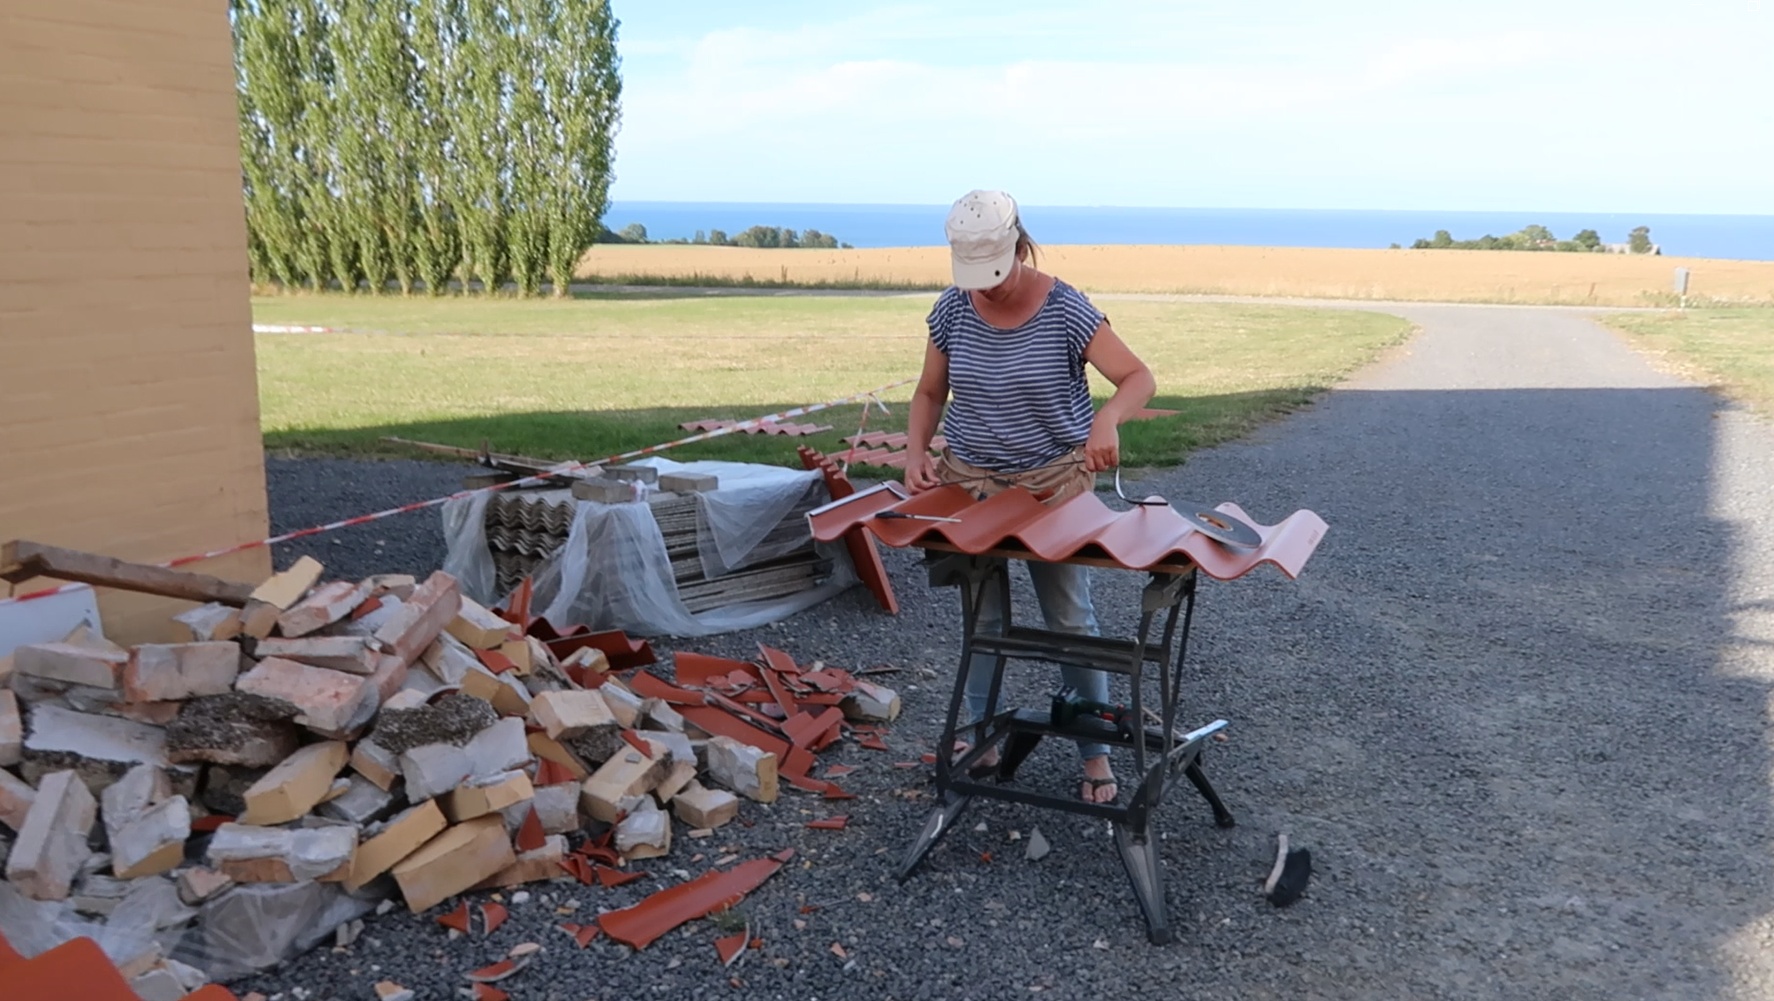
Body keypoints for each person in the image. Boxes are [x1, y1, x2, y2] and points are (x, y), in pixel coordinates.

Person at [904, 189, 1156, 804]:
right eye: (973, 279)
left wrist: (1108, 421)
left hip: (1053, 485)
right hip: (972, 483)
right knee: (983, 617)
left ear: (1020, 246)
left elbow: (1138, 377)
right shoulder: (952, 310)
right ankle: (981, 733)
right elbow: (929, 393)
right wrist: (916, 451)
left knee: (1069, 617)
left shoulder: (1065, 308)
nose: (984, 290)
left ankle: (1096, 753)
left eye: (993, 275)